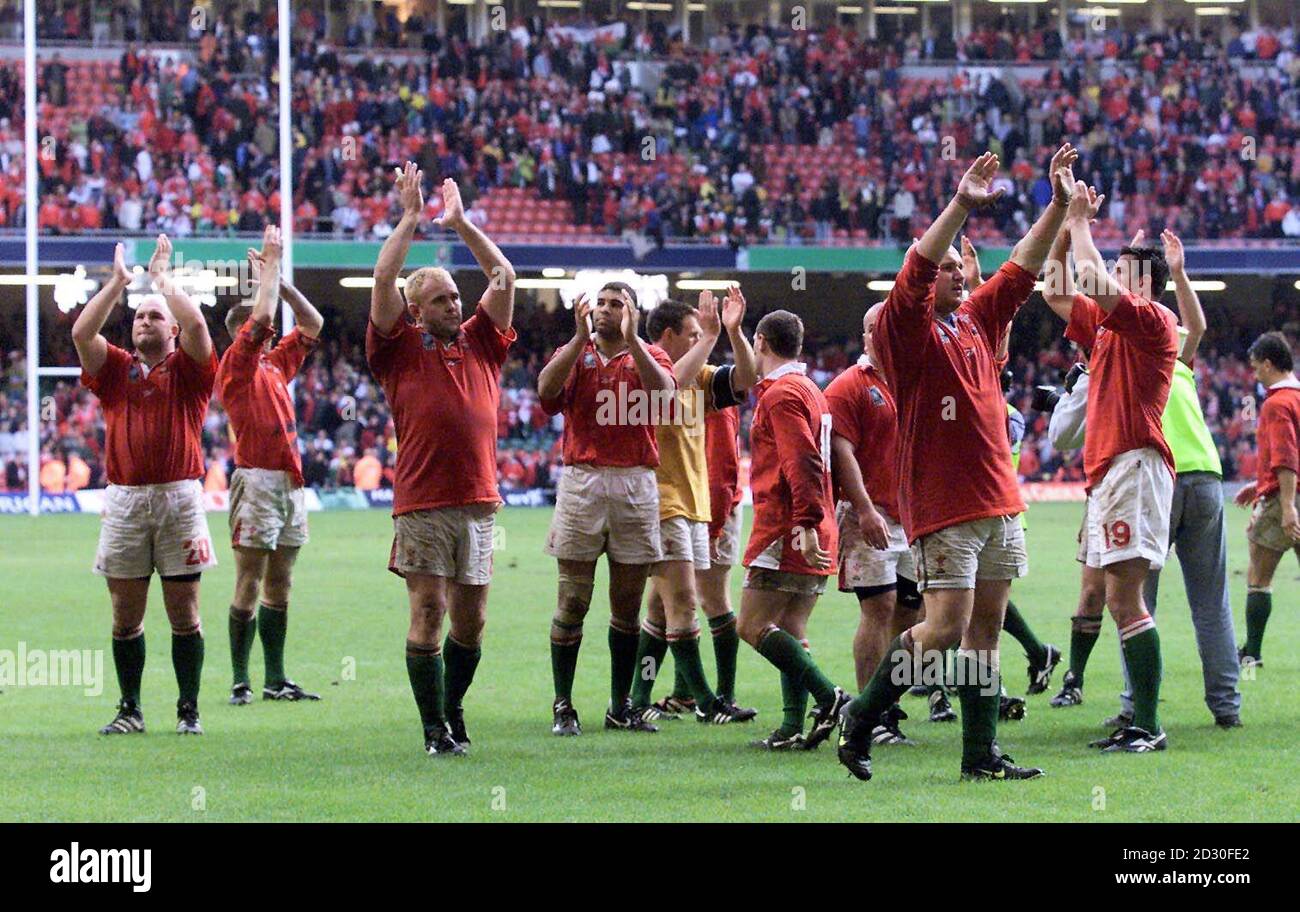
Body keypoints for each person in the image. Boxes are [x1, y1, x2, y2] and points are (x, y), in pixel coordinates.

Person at [839, 146, 1080, 783]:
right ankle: (862, 720)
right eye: (944, 268)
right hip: (944, 503)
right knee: (943, 629)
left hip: (999, 499)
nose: (953, 273)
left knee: (985, 634)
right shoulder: (904, 329)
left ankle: (979, 756)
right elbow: (916, 267)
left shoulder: (971, 320)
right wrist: (961, 205)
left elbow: (1022, 269)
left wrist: (1056, 205)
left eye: (958, 268)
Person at [367, 163, 517, 757]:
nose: (455, 304)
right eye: (440, 299)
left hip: (479, 502)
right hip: (423, 503)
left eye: (456, 296)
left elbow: (502, 275)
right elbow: (382, 276)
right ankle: (434, 729)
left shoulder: (481, 340)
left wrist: (461, 223)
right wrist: (409, 218)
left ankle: (451, 707)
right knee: (428, 611)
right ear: (416, 308)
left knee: (472, 622)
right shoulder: (398, 348)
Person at [1040, 185, 1179, 754]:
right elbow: (1054, 289)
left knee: (1127, 600)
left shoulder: (1153, 320)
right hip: (1107, 472)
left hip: (1133, 464)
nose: (1110, 275)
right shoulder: (1108, 325)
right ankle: (1137, 720)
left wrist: (1079, 223)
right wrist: (1060, 223)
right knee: (1105, 594)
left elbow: (1092, 277)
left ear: (1139, 280)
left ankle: (1148, 725)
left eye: (1122, 268)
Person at [74, 236, 217, 736]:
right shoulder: (115, 368)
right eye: (139, 316)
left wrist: (162, 282)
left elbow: (198, 324)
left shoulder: (192, 370)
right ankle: (130, 709)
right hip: (126, 500)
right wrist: (116, 284)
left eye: (155, 316)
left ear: (172, 329)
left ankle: (188, 710)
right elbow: (80, 332)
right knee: (124, 614)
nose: (143, 321)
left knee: (185, 612)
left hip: (180, 497)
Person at [537, 281, 676, 736]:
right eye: (600, 303)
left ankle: (621, 705)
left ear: (634, 313)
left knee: (627, 604)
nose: (605, 310)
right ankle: (563, 704)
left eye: (617, 304)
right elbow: (546, 393)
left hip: (636, 480)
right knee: (572, 598)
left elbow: (665, 398)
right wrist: (577, 339)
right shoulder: (576, 351)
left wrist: (634, 340)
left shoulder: (651, 355)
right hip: (583, 481)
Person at [630, 287, 758, 724]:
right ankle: (708, 702)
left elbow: (746, 379)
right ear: (666, 336)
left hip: (694, 503)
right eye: (690, 333)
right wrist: (709, 336)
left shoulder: (699, 375)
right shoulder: (640, 369)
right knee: (684, 602)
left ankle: (636, 698)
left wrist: (734, 333)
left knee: (661, 606)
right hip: (658, 502)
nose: (699, 339)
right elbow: (666, 391)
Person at [216, 224, 325, 706]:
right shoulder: (235, 367)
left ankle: (275, 679)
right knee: (250, 579)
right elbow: (260, 318)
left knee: (281, 582)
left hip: (289, 481)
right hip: (256, 479)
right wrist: (269, 275)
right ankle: (241, 678)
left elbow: (314, 323)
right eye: (261, 326)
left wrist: (279, 283)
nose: (269, 329)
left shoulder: (275, 364)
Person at [736, 310, 850, 752]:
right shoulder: (810, 390)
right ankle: (791, 727)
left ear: (761, 341)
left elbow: (801, 459)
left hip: (786, 527)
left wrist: (802, 523)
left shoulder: (781, 395)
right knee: (791, 627)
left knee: (752, 625)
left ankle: (831, 698)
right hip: (817, 525)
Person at [826, 303, 932, 746]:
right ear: (866, 336)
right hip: (869, 513)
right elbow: (840, 450)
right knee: (879, 609)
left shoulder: (915, 378)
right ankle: (872, 716)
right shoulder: (849, 386)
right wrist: (864, 508)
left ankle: (885, 702)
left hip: (913, 514)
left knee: (916, 613)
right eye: (874, 330)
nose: (882, 336)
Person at [1234, 330, 1300, 669]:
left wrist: (1286, 505)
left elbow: (1286, 456)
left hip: (1285, 499)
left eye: (1257, 367)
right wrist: (1256, 485)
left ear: (1270, 365)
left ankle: (1252, 653)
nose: (1255, 374)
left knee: (1259, 577)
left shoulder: (1277, 403)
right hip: (1282, 489)